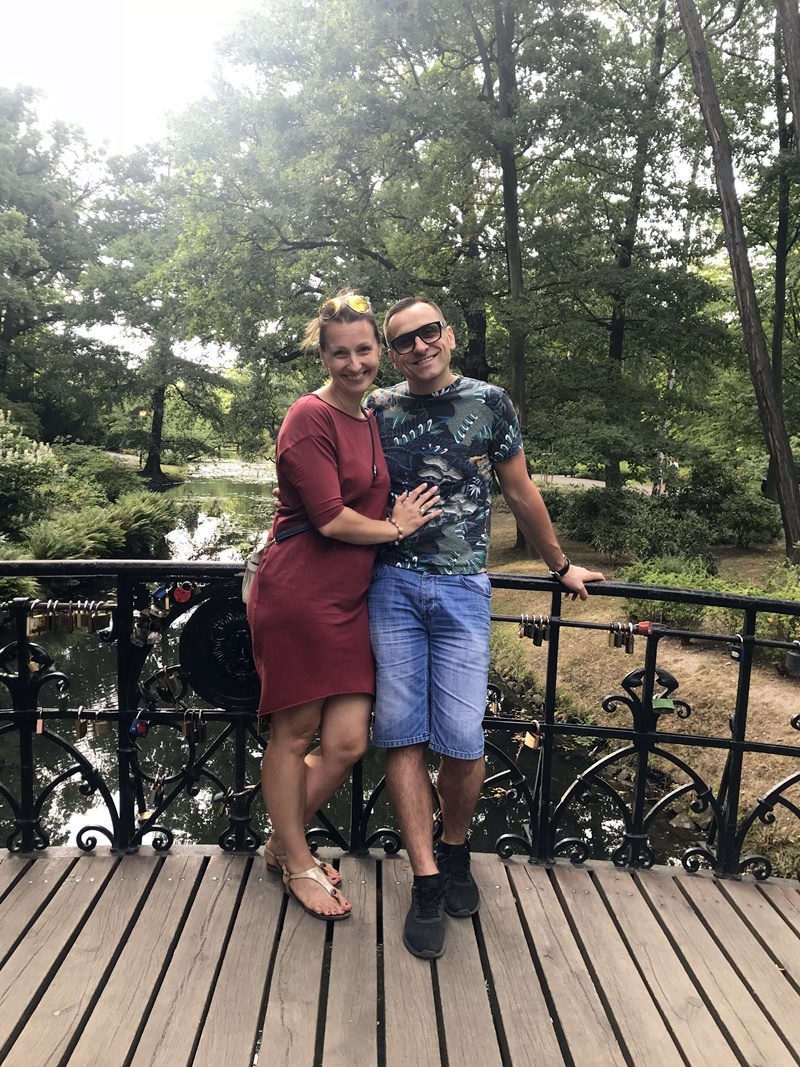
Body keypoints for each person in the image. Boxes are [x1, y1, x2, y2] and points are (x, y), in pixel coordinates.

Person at [367, 297, 605, 958]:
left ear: (449, 335)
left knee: (464, 740)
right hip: (388, 586)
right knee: (402, 734)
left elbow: (520, 490)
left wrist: (560, 566)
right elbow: (334, 477)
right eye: (404, 340)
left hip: (463, 589)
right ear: (393, 355)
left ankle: (454, 847)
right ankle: (425, 879)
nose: (419, 345)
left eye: (428, 332)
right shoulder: (376, 408)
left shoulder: (490, 402)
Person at [247, 292, 440, 921]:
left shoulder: (367, 415)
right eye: (340, 353)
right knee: (293, 734)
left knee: (349, 741)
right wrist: (396, 528)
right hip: (300, 594)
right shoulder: (309, 417)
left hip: (350, 599)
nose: (354, 363)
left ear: (379, 350)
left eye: (364, 350)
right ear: (323, 357)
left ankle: (281, 842)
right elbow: (329, 518)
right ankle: (297, 861)